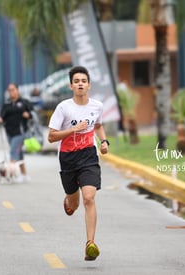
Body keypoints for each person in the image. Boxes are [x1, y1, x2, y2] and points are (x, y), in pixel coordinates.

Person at [47, 66, 109, 261]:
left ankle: (90, 243)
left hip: (89, 156)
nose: (80, 83)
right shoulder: (64, 108)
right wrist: (74, 130)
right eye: (77, 81)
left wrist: (104, 141)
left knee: (89, 198)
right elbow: (51, 137)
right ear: (71, 86)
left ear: (89, 85)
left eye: (83, 80)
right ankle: (68, 201)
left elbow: (97, 125)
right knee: (74, 205)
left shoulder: (97, 106)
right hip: (68, 158)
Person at [0, 83, 33, 183]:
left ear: (17, 90)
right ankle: (24, 175)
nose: (11, 92)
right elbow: (2, 115)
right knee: (18, 153)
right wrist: (0, 119)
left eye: (13, 89)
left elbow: (32, 114)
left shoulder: (24, 102)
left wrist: (28, 115)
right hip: (9, 132)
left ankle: (10, 175)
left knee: (13, 152)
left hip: (20, 132)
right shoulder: (6, 104)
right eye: (9, 90)